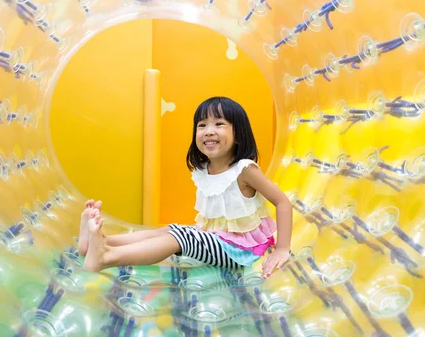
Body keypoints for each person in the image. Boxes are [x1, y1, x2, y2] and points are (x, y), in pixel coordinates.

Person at [78, 96, 293, 279]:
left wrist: (282, 249)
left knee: (181, 239)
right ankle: (102, 242)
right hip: (217, 238)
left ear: (239, 134)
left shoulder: (244, 170)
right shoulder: (204, 170)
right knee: (171, 229)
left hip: (240, 250)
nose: (208, 131)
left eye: (219, 124)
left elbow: (282, 201)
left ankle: (107, 257)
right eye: (202, 125)